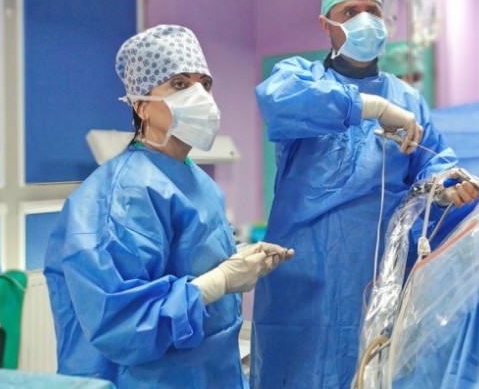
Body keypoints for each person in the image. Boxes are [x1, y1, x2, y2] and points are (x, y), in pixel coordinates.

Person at [251, 0, 479, 388]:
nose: (364, 20)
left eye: (372, 11)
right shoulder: (300, 78)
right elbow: (277, 100)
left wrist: (446, 187)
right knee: (296, 372)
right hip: (302, 268)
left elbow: (433, 165)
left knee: (370, 368)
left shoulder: (408, 100)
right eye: (350, 12)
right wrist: (370, 107)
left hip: (376, 271)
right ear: (326, 25)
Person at [44, 24, 293, 389]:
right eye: (179, 84)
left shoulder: (197, 181)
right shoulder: (123, 194)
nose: (199, 95)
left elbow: (188, 259)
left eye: (204, 84)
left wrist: (240, 258)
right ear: (142, 106)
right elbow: (122, 324)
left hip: (209, 372)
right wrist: (222, 280)